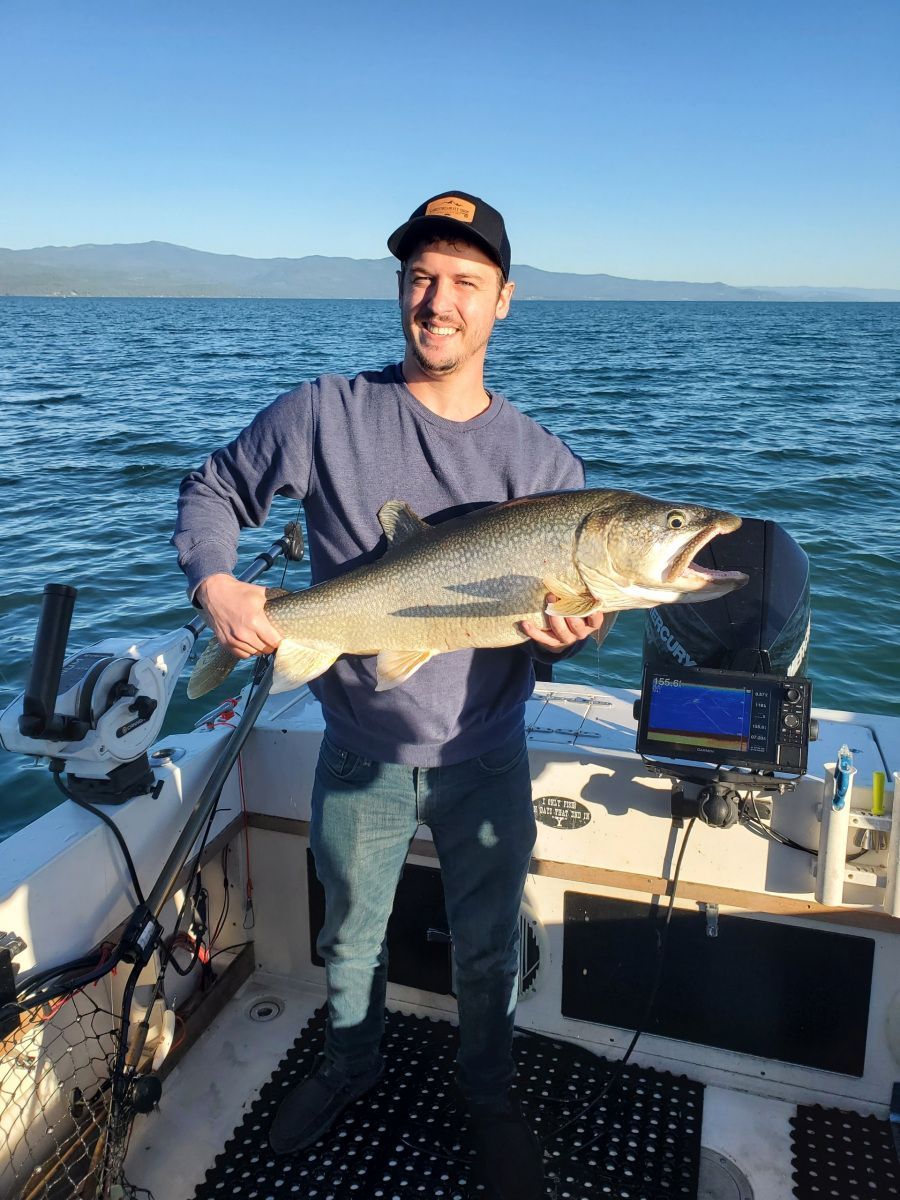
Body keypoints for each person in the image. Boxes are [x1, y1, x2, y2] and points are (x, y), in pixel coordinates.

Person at [173, 191, 606, 1200]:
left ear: (504, 301)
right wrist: (219, 584)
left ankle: (490, 1102)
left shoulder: (544, 466)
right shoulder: (325, 412)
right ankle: (346, 1068)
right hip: (358, 746)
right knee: (349, 932)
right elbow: (210, 492)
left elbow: (568, 635)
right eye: (420, 278)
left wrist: (584, 630)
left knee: (491, 946)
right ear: (401, 290)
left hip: (484, 753)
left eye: (464, 282)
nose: (438, 301)